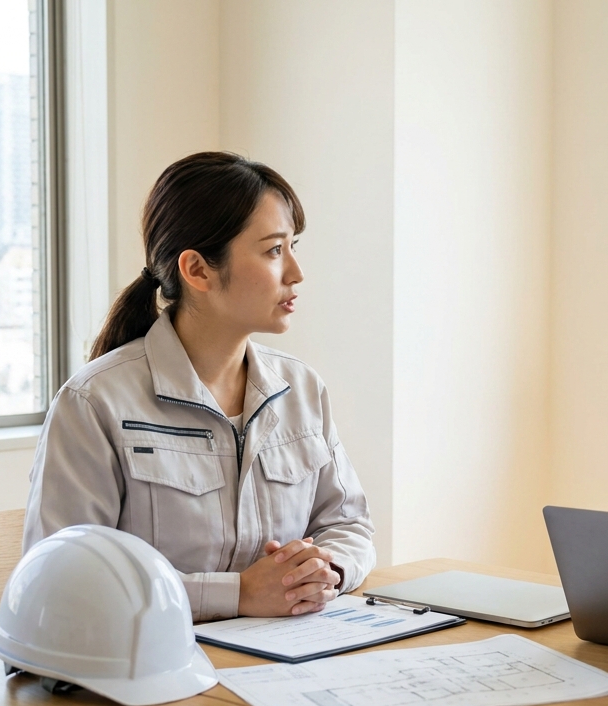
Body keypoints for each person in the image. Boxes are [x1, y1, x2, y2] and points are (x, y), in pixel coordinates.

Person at [24, 151, 375, 622]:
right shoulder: (93, 402)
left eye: (293, 246)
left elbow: (349, 524)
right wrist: (237, 595)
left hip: (287, 651)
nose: (296, 272)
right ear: (197, 270)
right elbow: (65, 580)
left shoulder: (302, 388)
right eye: (274, 250)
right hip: (153, 660)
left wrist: (323, 571)